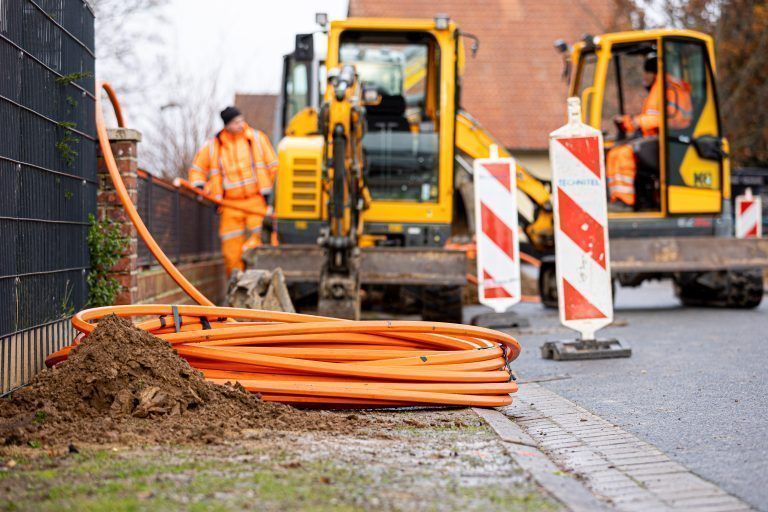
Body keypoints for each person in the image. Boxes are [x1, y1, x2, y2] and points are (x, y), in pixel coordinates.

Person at [188, 106, 278, 276]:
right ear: (227, 125)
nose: (241, 124)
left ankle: (264, 278)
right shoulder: (214, 146)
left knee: (264, 240)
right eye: (236, 122)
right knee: (231, 250)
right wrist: (199, 186)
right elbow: (197, 169)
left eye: (241, 120)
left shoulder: (257, 139)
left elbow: (274, 166)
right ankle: (237, 281)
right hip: (229, 204)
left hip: (256, 201)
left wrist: (274, 197)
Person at [606, 53, 692, 208]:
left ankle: (624, 201)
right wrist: (628, 122)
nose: (643, 78)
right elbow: (650, 117)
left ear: (653, 72)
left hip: (670, 140)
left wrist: (637, 122)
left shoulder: (669, 89)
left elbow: (671, 119)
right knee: (614, 153)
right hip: (655, 137)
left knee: (624, 154)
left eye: (645, 73)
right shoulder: (659, 89)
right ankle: (618, 198)